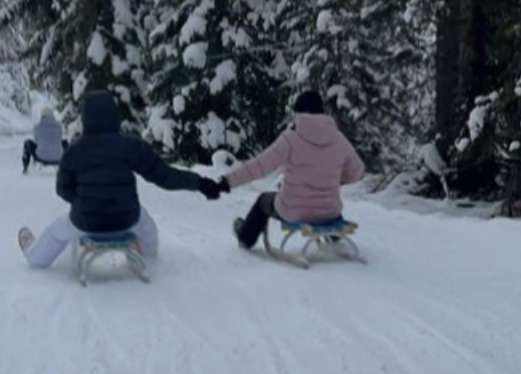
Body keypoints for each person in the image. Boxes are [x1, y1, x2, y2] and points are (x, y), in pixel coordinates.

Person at [18, 90, 225, 267]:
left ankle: (34, 255)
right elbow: (165, 177)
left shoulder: (74, 151)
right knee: (149, 230)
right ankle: (149, 259)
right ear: (114, 115)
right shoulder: (131, 146)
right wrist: (200, 183)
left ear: (86, 118)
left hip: (85, 221)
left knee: (55, 233)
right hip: (127, 220)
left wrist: (84, 201)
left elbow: (62, 190)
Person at [220, 90, 365, 249]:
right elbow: (357, 171)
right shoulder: (338, 138)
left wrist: (228, 182)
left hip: (295, 210)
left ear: (299, 113)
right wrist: (334, 177)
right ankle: (334, 238)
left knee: (264, 201)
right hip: (329, 212)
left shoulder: (291, 138)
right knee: (326, 210)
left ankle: (245, 238)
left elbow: (259, 166)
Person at [22, 107, 67, 173]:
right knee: (65, 142)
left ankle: (25, 167)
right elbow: (59, 139)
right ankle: (69, 167)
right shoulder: (58, 127)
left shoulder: (37, 127)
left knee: (27, 142)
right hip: (58, 156)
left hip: (41, 156)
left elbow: (36, 141)